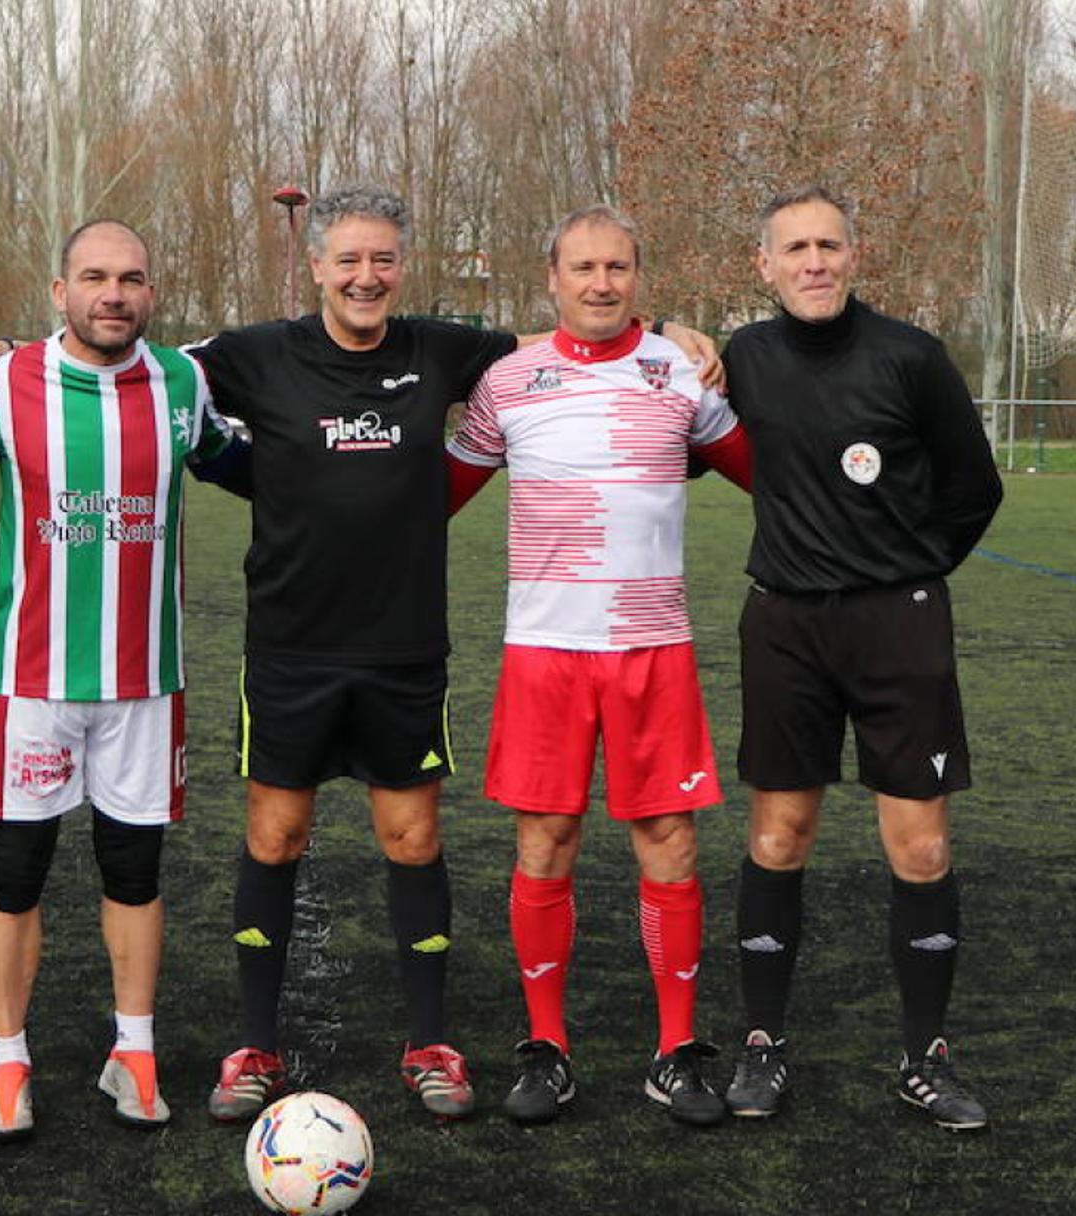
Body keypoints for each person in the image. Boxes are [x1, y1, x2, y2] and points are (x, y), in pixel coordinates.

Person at [0, 185, 722, 1123]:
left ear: (402, 267)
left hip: (403, 648)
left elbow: (561, 339)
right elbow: (128, 358)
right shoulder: (246, 357)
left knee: (413, 839)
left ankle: (432, 1042)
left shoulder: (444, 349)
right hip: (289, 646)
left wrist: (670, 329)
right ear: (316, 265)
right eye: (348, 259)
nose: (366, 276)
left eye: (383, 259)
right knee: (274, 837)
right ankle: (254, 1047)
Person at [0, 219, 248, 1139]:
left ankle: (134, 1053)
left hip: (147, 680)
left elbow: (247, 465)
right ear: (59, 292)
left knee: (135, 870)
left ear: (152, 293)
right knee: (15, 873)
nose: (114, 294)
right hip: (30, 680)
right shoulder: (7, 380)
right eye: (95, 278)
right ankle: (6, 1063)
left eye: (133, 279)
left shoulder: (183, 383)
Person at [445, 206, 751, 1127]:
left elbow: (770, 473)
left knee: (671, 843)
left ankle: (675, 1050)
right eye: (583, 266)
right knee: (546, 844)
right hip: (546, 652)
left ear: (638, 277)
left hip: (653, 651)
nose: (600, 282)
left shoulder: (679, 373)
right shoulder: (508, 381)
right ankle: (547, 1048)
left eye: (617, 266)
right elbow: (430, 499)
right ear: (553, 277)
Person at [712, 185, 1003, 1132]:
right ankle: (763, 1046)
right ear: (764, 265)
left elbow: (974, 488)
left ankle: (925, 1057)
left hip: (899, 627)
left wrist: (907, 576)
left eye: (829, 244)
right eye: (793, 247)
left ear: (855, 253)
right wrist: (674, 330)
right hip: (786, 626)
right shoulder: (743, 358)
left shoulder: (911, 357)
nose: (813, 262)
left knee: (920, 845)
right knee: (778, 835)